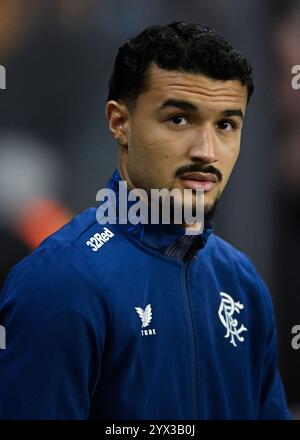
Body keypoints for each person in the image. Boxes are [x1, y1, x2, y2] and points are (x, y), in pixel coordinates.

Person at [0, 21, 291, 420]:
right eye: (179, 119)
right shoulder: (61, 283)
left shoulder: (242, 283)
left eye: (226, 125)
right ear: (120, 122)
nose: (206, 151)